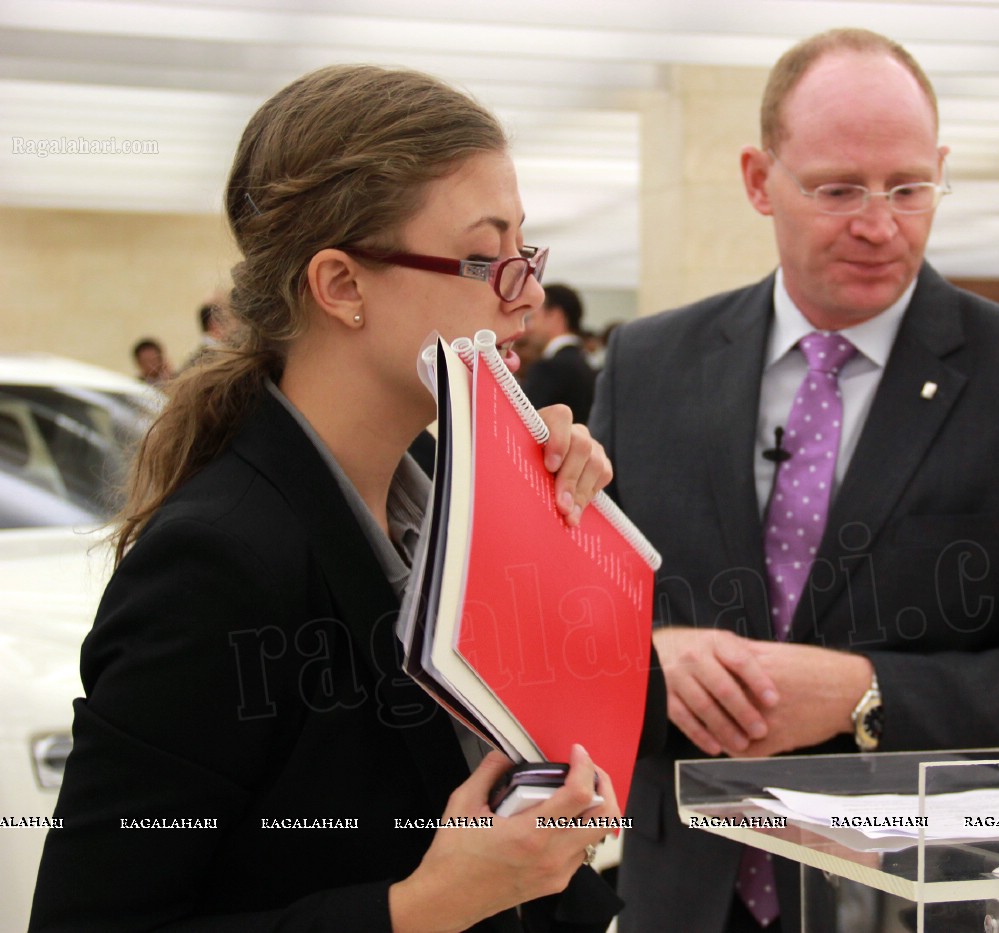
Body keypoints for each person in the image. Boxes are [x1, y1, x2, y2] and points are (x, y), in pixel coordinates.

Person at [31, 65, 627, 933]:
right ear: (341, 286)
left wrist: (556, 534)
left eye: (524, 252)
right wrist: (418, 909)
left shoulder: (451, 501)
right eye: (486, 257)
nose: (529, 296)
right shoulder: (215, 564)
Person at [591, 28, 999, 933]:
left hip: (915, 892)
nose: (879, 223)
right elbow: (578, 628)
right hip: (684, 888)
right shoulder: (650, 363)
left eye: (909, 187)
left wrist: (864, 691)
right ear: (756, 180)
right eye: (837, 188)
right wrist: (653, 654)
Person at [522, 283, 598, 423]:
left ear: (554, 316)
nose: (527, 328)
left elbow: (525, 424)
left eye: (532, 318)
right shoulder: (586, 363)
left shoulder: (549, 368)